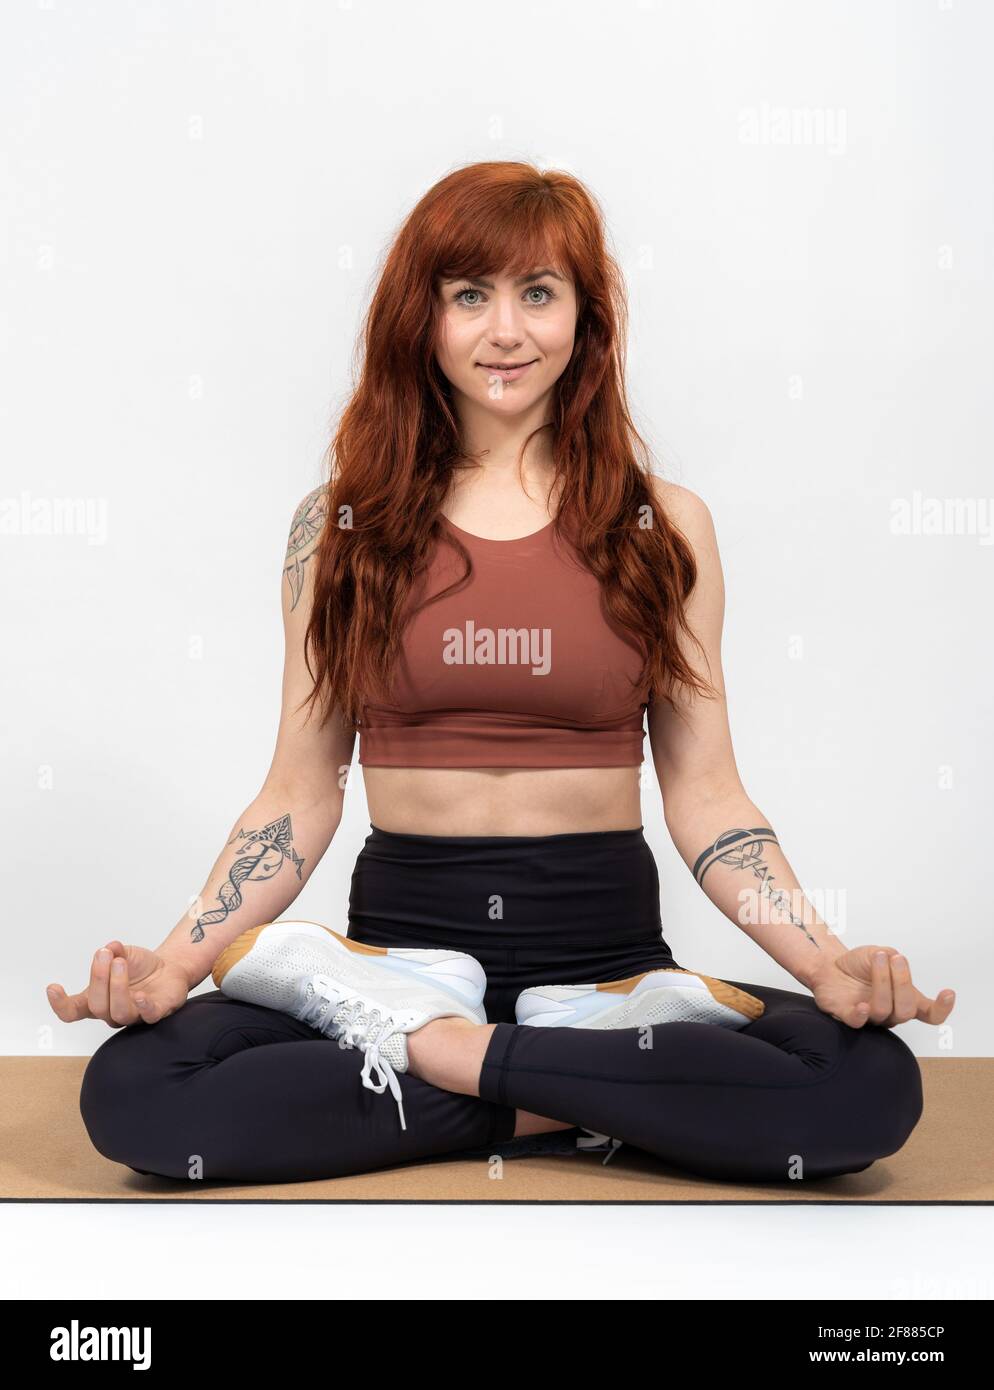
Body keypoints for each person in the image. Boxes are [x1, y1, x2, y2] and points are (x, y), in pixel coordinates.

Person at [50, 162, 952, 1185]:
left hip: (612, 975)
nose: (506, 331)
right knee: (135, 1093)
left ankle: (451, 1060)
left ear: (584, 318)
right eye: (469, 295)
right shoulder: (336, 528)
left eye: (538, 292)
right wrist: (174, 961)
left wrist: (823, 962)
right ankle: (575, 1093)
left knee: (868, 1086)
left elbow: (707, 797)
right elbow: (297, 794)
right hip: (396, 962)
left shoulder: (665, 526)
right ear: (422, 320)